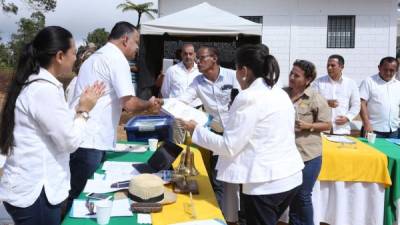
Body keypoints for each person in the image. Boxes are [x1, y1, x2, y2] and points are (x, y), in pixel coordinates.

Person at [181, 44, 304, 225]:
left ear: (244, 71)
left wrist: (196, 130)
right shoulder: (279, 92)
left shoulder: (248, 97)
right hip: (290, 177)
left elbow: (229, 146)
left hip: (265, 183)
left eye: (237, 70)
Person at [0, 26, 104, 225]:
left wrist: (78, 108)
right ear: (59, 56)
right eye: (73, 53)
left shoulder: (42, 87)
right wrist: (84, 110)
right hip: (36, 193)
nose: (76, 58)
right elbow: (69, 141)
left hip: (35, 189)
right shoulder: (43, 91)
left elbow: (57, 124)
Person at [67, 21, 161, 211]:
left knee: (77, 195)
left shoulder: (97, 57)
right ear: (125, 40)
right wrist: (149, 104)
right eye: (136, 42)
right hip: (90, 141)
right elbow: (129, 103)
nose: (137, 49)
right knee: (80, 198)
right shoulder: (116, 59)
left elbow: (113, 105)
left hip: (85, 136)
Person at [177, 46, 241, 223]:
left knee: (242, 181)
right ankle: (220, 218)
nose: (197, 61)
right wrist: (166, 105)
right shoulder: (198, 82)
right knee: (218, 178)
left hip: (240, 136)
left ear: (214, 58)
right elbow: (182, 100)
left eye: (202, 58)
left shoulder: (233, 76)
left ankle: (243, 217)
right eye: (197, 58)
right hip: (217, 136)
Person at [284, 60, 331, 225]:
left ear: (308, 79)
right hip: (286, 155)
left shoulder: (316, 99)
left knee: (303, 196)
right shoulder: (282, 94)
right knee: (292, 195)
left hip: (308, 156)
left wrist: (309, 126)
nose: (291, 77)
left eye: (296, 75)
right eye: (291, 73)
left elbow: (327, 125)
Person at [161, 43, 202, 143]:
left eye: (190, 54)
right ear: (181, 55)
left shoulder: (201, 72)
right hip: (177, 112)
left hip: (196, 111)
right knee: (178, 142)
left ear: (195, 55)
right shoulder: (172, 70)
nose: (188, 56)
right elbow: (165, 92)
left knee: (196, 142)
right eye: (185, 54)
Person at [312, 55, 360, 135]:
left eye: (332, 65)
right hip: (321, 130)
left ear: (341, 67)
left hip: (342, 130)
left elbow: (356, 105)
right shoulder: (318, 82)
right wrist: (326, 103)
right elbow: (311, 102)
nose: (329, 68)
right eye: (328, 65)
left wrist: (347, 118)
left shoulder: (351, 83)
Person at [359, 56, 400, 138]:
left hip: (394, 131)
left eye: (392, 70)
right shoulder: (369, 82)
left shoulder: (398, 85)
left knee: (391, 151)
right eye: (385, 69)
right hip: (373, 130)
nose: (388, 73)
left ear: (397, 70)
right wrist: (367, 123)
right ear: (379, 68)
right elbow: (361, 103)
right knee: (371, 151)